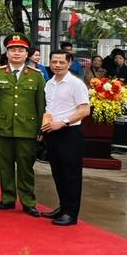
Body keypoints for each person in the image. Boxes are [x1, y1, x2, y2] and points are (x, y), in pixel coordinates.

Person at [0, 33, 46, 216]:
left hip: (27, 129)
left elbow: (41, 105)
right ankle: (8, 198)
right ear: (7, 53)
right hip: (3, 128)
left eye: (21, 50)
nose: (17, 53)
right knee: (5, 166)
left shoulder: (36, 76)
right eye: (13, 50)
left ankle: (28, 201)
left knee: (26, 167)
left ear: (27, 54)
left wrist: (40, 129)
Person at [41, 50, 91, 226]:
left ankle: (71, 213)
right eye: (54, 62)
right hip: (52, 131)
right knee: (58, 172)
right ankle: (63, 207)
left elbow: (85, 110)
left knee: (71, 174)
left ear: (69, 63)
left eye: (62, 62)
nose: (57, 65)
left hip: (70, 132)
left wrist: (63, 122)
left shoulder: (76, 84)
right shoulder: (49, 83)